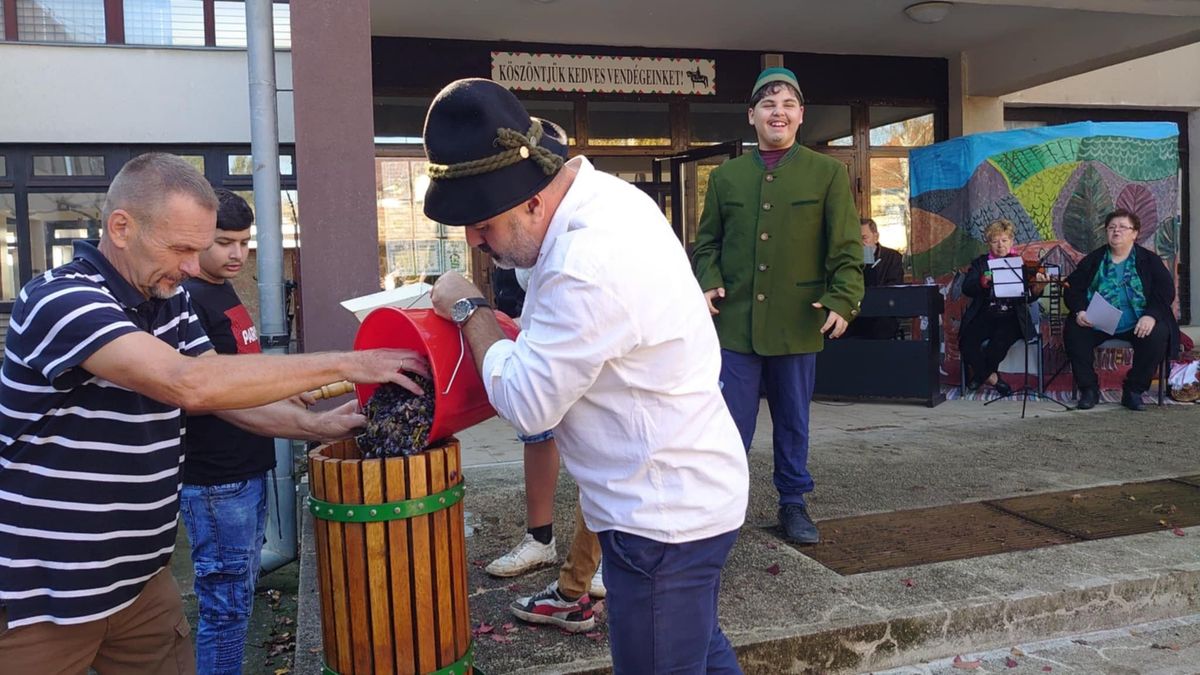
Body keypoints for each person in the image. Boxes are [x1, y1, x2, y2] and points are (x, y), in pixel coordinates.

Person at [0, 153, 426, 673]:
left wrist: (316, 426)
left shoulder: (170, 302)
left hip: (141, 585)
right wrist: (351, 363)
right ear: (121, 226)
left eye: (196, 250)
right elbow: (190, 384)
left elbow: (225, 394)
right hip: (43, 597)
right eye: (180, 248)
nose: (188, 267)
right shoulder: (62, 299)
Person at [424, 78, 749, 673]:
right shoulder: (606, 198)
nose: (473, 239)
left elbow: (527, 404)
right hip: (689, 493)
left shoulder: (587, 261)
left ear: (532, 200)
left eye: (482, 224)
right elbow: (551, 302)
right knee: (702, 648)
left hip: (659, 521)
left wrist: (469, 309)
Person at [691, 66, 863, 545]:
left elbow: (846, 250)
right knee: (728, 425)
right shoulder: (726, 177)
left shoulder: (828, 173)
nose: (778, 113)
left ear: (801, 115)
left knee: (793, 420)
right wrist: (708, 280)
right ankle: (721, 509)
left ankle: (793, 502)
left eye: (787, 105)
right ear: (752, 116)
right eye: (768, 105)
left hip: (797, 320)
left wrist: (843, 299)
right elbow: (706, 245)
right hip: (736, 325)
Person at [179, 188, 324, 674]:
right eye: (224, 242)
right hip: (216, 481)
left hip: (246, 470)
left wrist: (284, 394)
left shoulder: (222, 290)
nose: (237, 253)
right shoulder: (189, 300)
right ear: (198, 238)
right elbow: (211, 391)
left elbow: (241, 373)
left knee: (238, 602)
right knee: (224, 610)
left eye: (244, 241)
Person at [1064, 209, 1176, 411]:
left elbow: (1165, 291)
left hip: (1137, 321)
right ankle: (1089, 390)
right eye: (1111, 228)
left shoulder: (1149, 260)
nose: (1116, 232)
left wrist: (1151, 316)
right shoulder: (1094, 260)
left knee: (1158, 334)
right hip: (1098, 322)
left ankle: (1133, 390)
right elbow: (1072, 289)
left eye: (1123, 228)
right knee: (1074, 330)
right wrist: (1080, 311)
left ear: (1135, 233)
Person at [958, 219, 1047, 397]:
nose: (1000, 245)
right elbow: (967, 288)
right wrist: (983, 282)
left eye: (1004, 240)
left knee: (998, 344)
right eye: (995, 241)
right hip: (985, 314)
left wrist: (1038, 288)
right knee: (966, 342)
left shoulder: (1021, 263)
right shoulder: (980, 264)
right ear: (988, 243)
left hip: (1013, 316)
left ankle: (979, 377)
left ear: (1012, 241)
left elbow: (1030, 297)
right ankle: (993, 379)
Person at [844, 217, 904, 339]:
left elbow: (893, 286)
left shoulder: (892, 257)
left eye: (864, 238)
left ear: (876, 237)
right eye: (856, 239)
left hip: (882, 312)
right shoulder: (848, 259)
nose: (860, 243)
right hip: (856, 312)